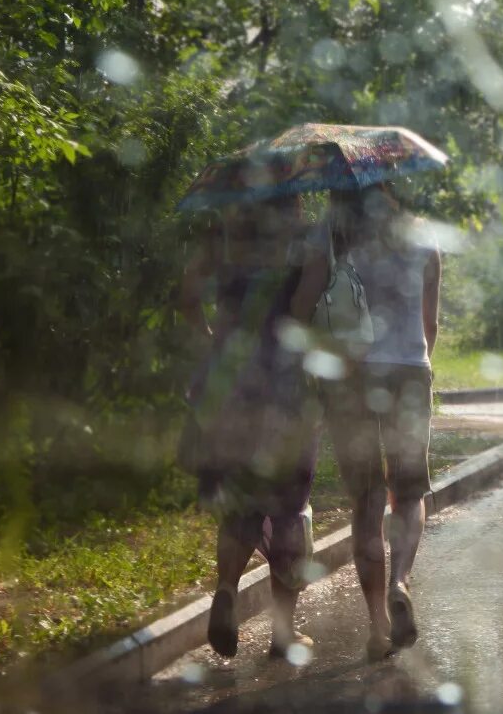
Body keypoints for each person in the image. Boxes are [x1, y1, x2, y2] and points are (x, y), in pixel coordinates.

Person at [294, 184, 440, 659]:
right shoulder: (424, 237)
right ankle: (400, 581)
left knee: (366, 501)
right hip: (409, 371)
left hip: (352, 377)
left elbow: (302, 311)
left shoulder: (333, 234)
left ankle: (378, 626)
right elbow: (429, 325)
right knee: (409, 491)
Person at [179, 196, 325, 660]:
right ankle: (283, 633)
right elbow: (302, 315)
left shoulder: (224, 242)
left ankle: (226, 589)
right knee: (288, 508)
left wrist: (211, 343)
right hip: (282, 392)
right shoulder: (301, 245)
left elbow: (184, 297)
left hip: (230, 391)